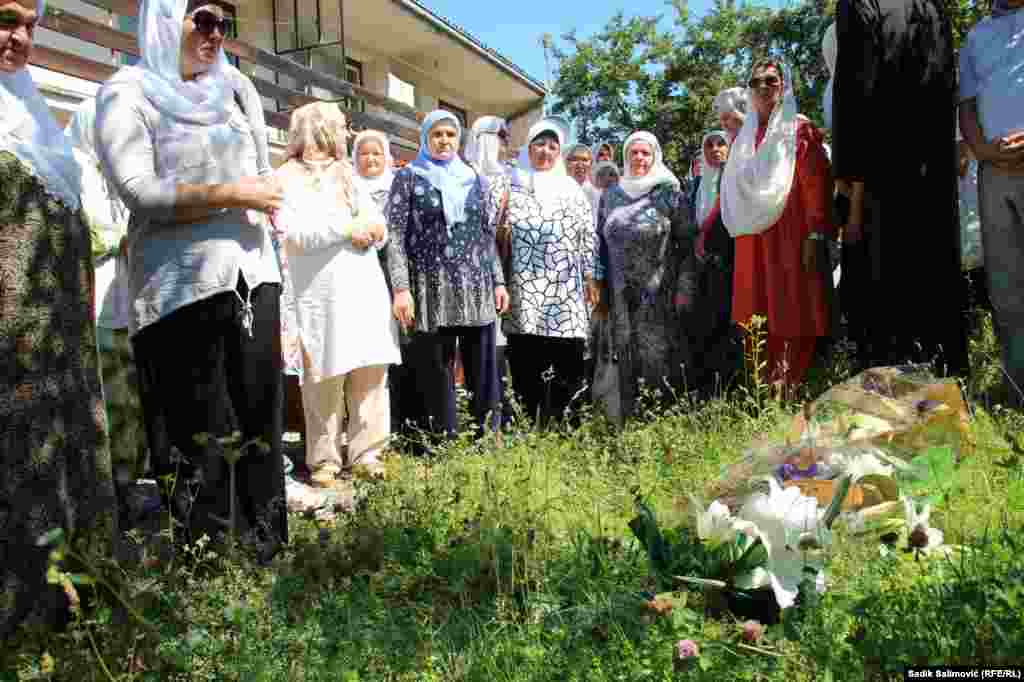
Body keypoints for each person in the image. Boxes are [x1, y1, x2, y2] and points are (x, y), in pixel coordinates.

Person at [95, 0, 288, 561]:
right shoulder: (126, 91)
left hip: (253, 276)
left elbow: (260, 170)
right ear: (163, 19)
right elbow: (139, 190)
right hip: (179, 288)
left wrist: (267, 195)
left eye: (223, 24)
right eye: (201, 21)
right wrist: (235, 194)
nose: (215, 34)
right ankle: (212, 573)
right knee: (199, 433)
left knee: (258, 424)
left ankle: (267, 560)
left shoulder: (236, 90)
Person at [0, 0, 116, 638]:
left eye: (27, 25)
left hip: (57, 352)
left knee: (57, 469)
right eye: (3, 19)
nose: (17, 37)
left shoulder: (35, 118)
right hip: (9, 354)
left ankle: (69, 609)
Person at [834, 0, 967, 377]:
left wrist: (848, 189)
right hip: (933, 176)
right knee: (935, 284)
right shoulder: (933, 8)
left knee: (885, 293)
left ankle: (892, 401)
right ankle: (944, 387)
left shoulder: (861, 4)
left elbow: (854, 90)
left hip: (880, 177)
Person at [275, 106, 399, 485]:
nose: (345, 134)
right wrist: (347, 227)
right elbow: (294, 233)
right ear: (318, 129)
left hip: (362, 288)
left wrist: (376, 228)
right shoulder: (284, 178)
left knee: (369, 372)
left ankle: (367, 453)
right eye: (340, 128)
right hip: (319, 294)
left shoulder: (347, 172)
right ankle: (325, 460)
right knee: (323, 377)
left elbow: (378, 221)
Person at [385, 110, 509, 448]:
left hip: (475, 286)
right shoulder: (408, 176)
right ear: (425, 138)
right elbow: (394, 235)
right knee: (435, 369)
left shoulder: (473, 178)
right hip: (430, 288)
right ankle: (440, 442)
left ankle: (487, 437)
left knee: (482, 367)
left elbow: (485, 234)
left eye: (450, 135)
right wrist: (400, 288)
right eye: (437, 134)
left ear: (459, 140)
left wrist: (498, 281)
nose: (444, 141)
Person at [721, 61, 834, 389]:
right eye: (756, 82)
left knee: (790, 305)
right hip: (751, 237)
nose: (763, 87)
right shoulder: (743, 138)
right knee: (755, 309)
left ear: (783, 86)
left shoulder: (799, 129)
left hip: (790, 233)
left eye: (771, 80)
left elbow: (816, 184)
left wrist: (815, 231)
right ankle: (762, 388)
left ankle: (790, 383)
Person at [65, 97, 148, 489]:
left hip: (130, 298)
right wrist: (119, 239)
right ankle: (111, 481)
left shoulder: (122, 171)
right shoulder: (71, 172)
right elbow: (80, 232)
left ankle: (133, 474)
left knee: (132, 394)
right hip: (95, 300)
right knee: (107, 394)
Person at [492, 120, 595, 427]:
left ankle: (566, 428)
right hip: (524, 290)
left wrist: (592, 277)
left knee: (568, 362)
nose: (546, 151)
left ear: (559, 152)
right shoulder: (511, 185)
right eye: (539, 144)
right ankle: (529, 425)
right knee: (526, 362)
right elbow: (493, 238)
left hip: (564, 294)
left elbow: (587, 236)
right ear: (528, 147)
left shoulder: (572, 189)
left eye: (552, 146)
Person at [592, 131, 695, 418]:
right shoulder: (611, 195)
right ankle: (628, 420)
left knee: (657, 357)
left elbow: (687, 244)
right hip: (620, 293)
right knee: (624, 354)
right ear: (625, 157)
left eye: (645, 153)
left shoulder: (670, 195)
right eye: (634, 153)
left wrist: (685, 289)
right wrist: (599, 286)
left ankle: (662, 420)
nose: (639, 158)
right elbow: (599, 242)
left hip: (659, 293)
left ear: (655, 157)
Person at [959, 0, 1024, 403]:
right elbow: (966, 103)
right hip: (994, 170)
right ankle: (1018, 388)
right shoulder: (976, 36)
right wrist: (982, 149)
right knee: (1005, 285)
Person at [462, 115, 514, 427]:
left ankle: (498, 413)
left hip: (502, 269)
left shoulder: (511, 178)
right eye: (499, 137)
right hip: (466, 271)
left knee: (498, 343)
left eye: (506, 138)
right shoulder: (462, 175)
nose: (504, 145)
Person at [691, 130, 742, 395]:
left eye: (721, 143)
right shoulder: (697, 185)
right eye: (708, 144)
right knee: (705, 328)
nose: (715, 149)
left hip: (731, 265)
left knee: (730, 328)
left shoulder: (736, 180)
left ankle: (731, 389)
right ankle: (708, 389)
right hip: (702, 269)